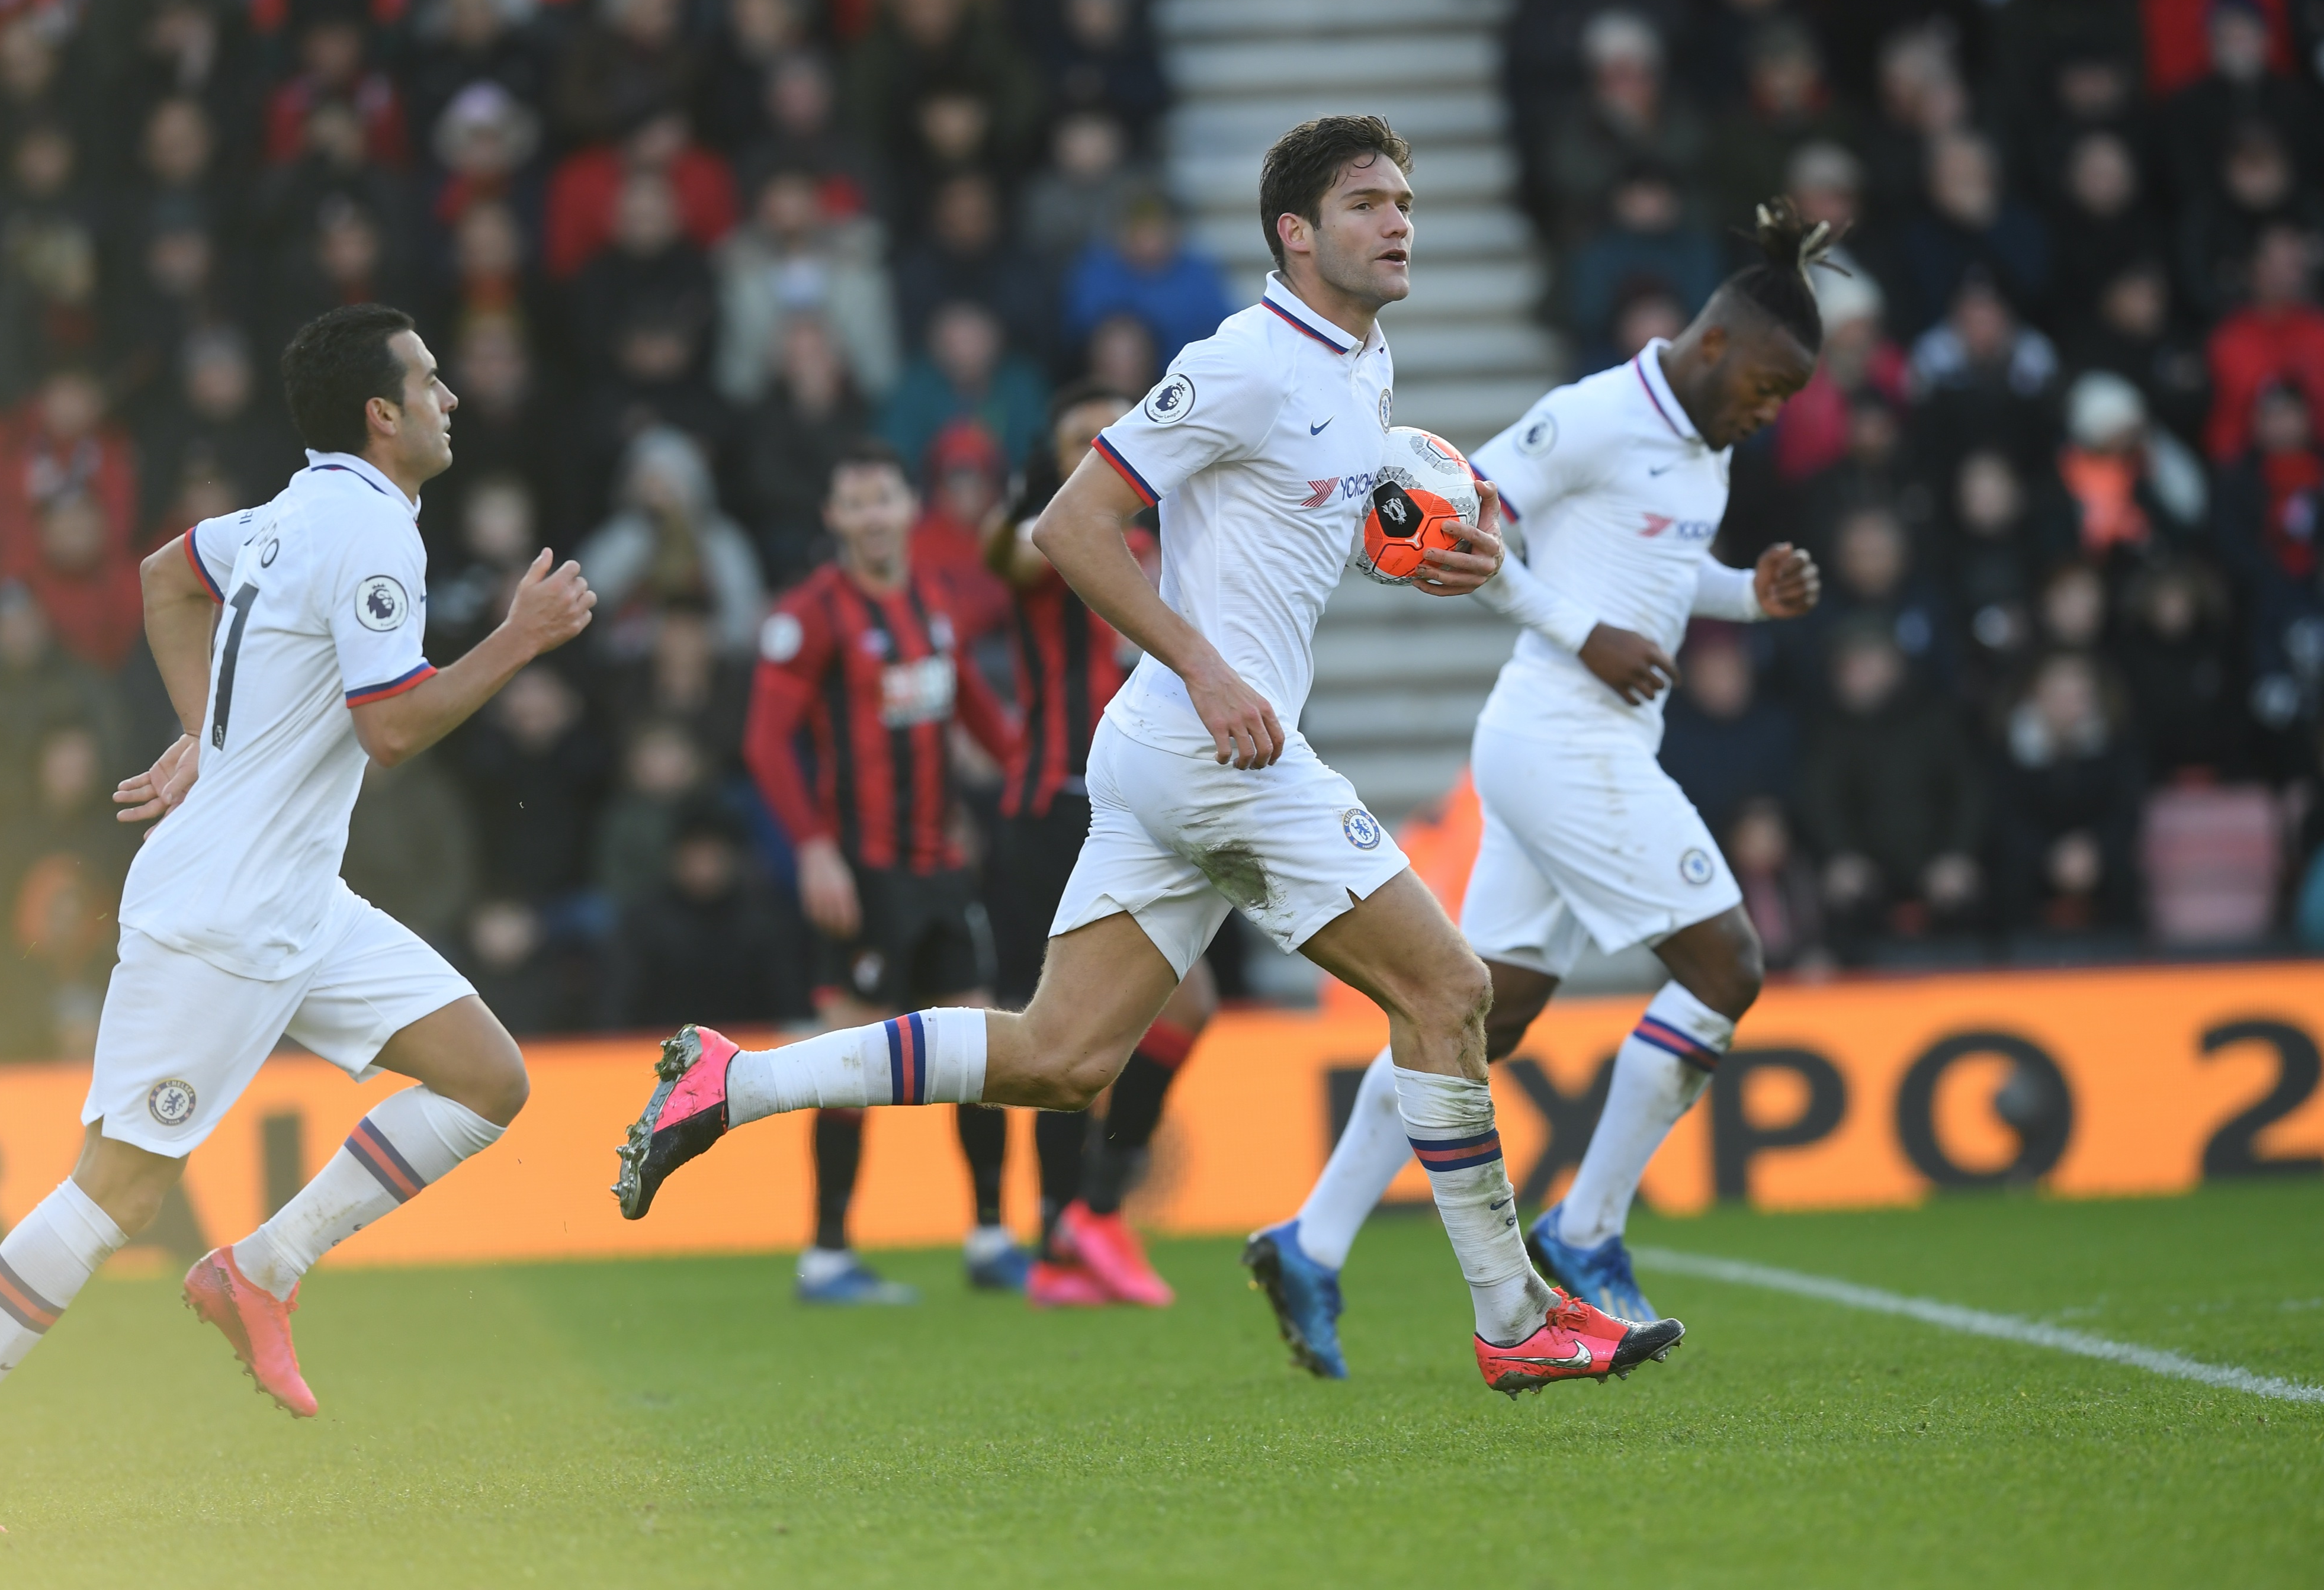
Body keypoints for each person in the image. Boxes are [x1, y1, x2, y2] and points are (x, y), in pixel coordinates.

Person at [614, 116, 1685, 1399]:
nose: (1398, 221)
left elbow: (1288, 520)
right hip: (1215, 747)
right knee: (1449, 990)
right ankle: (1513, 1315)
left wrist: (1430, 555)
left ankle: (735, 1081)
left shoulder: (1364, 364)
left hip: (1161, 750)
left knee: (1059, 1057)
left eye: (1404, 200)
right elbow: (1073, 527)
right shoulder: (1241, 360)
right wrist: (1208, 666)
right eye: (1366, 204)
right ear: (1295, 234)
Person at [0, 304, 597, 1534]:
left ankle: (262, 1268)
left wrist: (210, 741)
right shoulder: (371, 533)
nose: (449, 399)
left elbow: (166, 578)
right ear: (381, 415)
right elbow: (391, 730)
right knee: (117, 1194)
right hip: (222, 917)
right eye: (431, 381)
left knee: (488, 1078)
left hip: (297, 900)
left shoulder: (286, 511)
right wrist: (519, 638)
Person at [1241, 198, 1833, 1377]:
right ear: (1714, 343)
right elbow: (1463, 532)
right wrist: (1583, 634)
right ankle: (1587, 1229)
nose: (1767, 414)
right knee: (1726, 967)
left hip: (1573, 742)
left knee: (1481, 1017)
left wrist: (1743, 596)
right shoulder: (1593, 416)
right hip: (1564, 739)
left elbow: (1652, 572)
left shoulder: (1704, 448)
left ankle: (1309, 1242)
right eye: (1766, 387)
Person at [737, 439, 1025, 1304]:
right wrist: (813, 848)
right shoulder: (812, 614)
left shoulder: (934, 598)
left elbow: (970, 701)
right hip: (862, 876)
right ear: (833, 517)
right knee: (849, 1061)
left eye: (884, 499)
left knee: (980, 1053)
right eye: (855, 502)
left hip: (941, 870)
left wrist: (1029, 767)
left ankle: (991, 1238)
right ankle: (827, 1256)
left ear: (909, 509)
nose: (872, 516)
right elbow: (765, 744)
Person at [984, 381, 1219, 1309]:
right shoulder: (1046, 533)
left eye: (1110, 433)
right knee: (1070, 1026)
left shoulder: (1166, 547)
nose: (1096, 449)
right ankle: (1064, 1230)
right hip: (1056, 805)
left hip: (1148, 802)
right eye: (1077, 440)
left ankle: (1090, 1214)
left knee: (1182, 1009)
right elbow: (1016, 552)